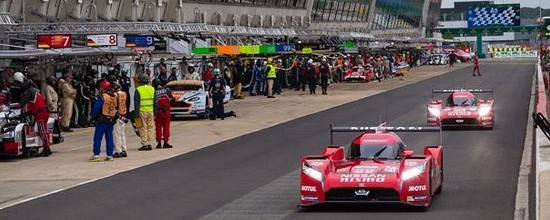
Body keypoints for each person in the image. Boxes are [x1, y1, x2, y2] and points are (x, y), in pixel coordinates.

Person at [11, 78, 52, 157]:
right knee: (43, 131)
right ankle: (47, 148)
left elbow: (21, 104)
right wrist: (27, 113)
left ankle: (46, 149)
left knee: (42, 131)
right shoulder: (36, 91)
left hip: (41, 113)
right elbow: (34, 105)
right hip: (43, 112)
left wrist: (12, 107)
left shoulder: (29, 92)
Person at [90, 81, 117, 161]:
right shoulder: (113, 96)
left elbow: (96, 108)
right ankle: (110, 155)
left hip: (102, 119)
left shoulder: (102, 97)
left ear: (102, 88)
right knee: (109, 137)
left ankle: (96, 155)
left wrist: (92, 115)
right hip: (111, 119)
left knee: (98, 138)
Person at [134, 74, 156, 151]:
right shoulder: (152, 89)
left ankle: (145, 144)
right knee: (150, 127)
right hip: (150, 111)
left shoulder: (138, 89)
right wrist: (155, 112)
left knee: (142, 127)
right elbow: (155, 102)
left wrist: (136, 115)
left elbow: (136, 103)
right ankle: (150, 143)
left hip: (142, 111)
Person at [154, 84, 173, 149]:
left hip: (158, 112)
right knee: (166, 127)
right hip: (166, 111)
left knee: (158, 128)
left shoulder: (154, 92)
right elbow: (172, 99)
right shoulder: (167, 90)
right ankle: (165, 142)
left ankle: (159, 143)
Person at [112, 82, 128, 158]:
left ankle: (118, 151)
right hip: (124, 114)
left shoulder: (115, 95)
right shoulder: (124, 94)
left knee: (117, 134)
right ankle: (124, 149)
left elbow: (114, 105)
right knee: (122, 133)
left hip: (118, 115)